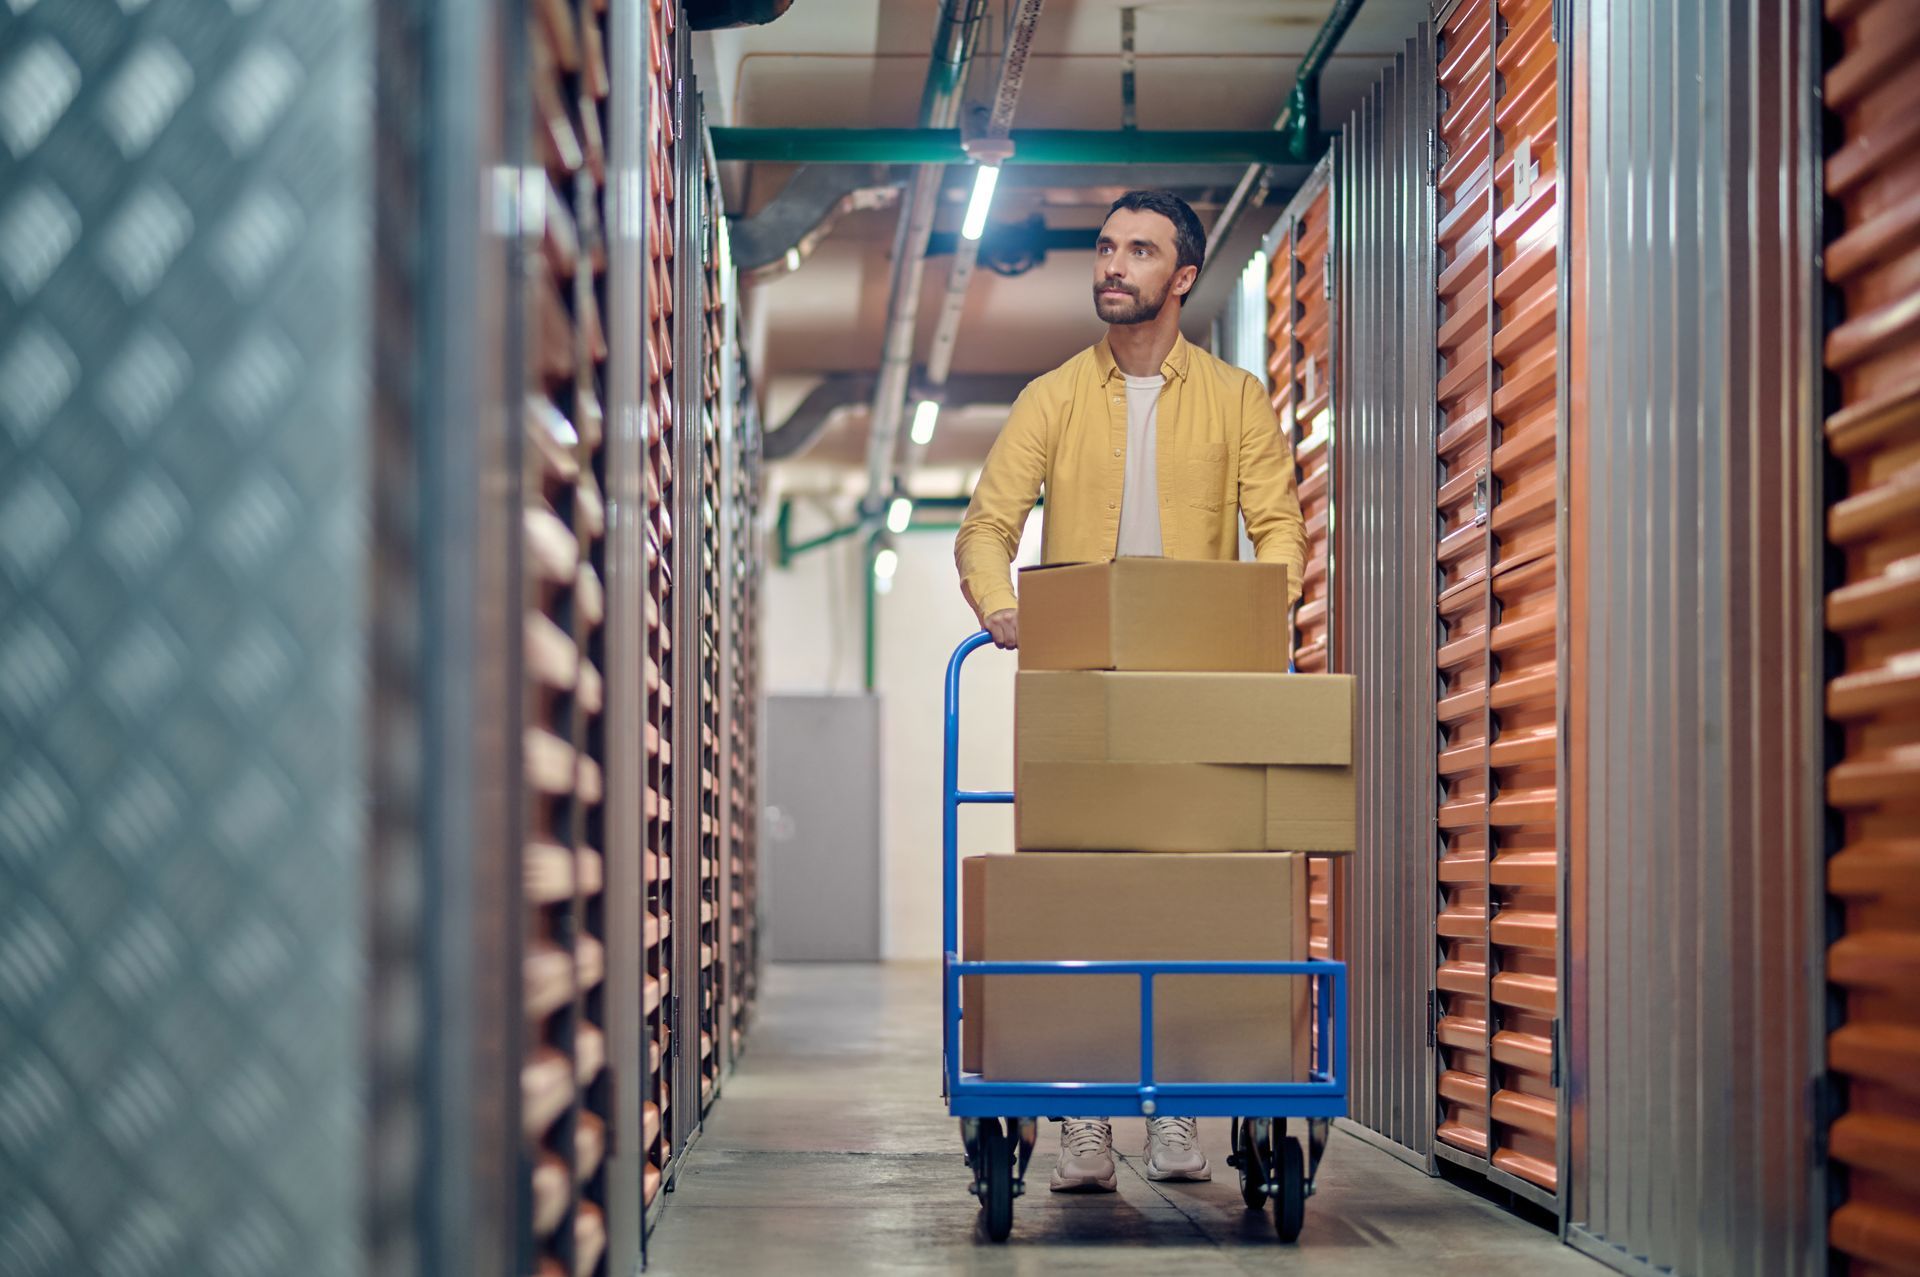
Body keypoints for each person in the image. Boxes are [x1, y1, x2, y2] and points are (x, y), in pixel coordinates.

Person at [953, 190, 1307, 1191]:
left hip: (1193, 690)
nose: (1114, 264)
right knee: (1077, 894)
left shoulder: (1236, 400)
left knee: (1187, 893)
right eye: (1106, 247)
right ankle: (1080, 1114)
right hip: (1079, 691)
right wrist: (999, 607)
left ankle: (1181, 1107)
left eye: (1139, 250)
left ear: (1183, 277)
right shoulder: (1055, 396)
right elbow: (987, 521)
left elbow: (1278, 524)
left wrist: (1259, 613)